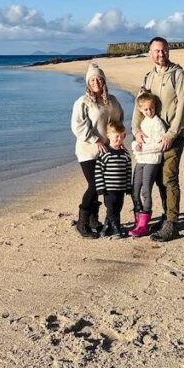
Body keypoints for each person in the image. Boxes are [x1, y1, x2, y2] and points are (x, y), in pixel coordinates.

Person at [132, 37, 184, 242]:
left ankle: (172, 224)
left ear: (168, 51)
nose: (161, 54)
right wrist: (136, 130)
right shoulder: (148, 77)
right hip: (154, 140)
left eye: (164, 50)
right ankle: (166, 216)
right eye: (156, 51)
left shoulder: (179, 75)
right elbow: (140, 105)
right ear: (150, 53)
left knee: (169, 178)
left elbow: (183, 108)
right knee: (158, 180)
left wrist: (170, 134)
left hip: (173, 137)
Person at [71, 62, 124, 238]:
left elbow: (118, 122)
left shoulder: (113, 101)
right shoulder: (83, 102)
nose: (96, 82)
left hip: (107, 152)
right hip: (87, 151)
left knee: (104, 185)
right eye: (92, 79)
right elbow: (77, 126)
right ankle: (82, 223)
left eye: (99, 79)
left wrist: (118, 140)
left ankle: (94, 220)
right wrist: (95, 139)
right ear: (88, 82)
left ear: (103, 81)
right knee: (94, 185)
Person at [128, 92, 167, 237]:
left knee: (146, 191)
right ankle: (138, 220)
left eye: (151, 108)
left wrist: (142, 148)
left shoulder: (157, 123)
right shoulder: (143, 123)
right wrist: (135, 146)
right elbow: (136, 141)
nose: (149, 112)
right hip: (140, 160)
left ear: (154, 107)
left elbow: (160, 145)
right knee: (134, 189)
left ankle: (143, 225)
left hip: (151, 160)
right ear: (140, 110)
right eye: (146, 110)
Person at [94, 120, 132, 239]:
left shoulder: (125, 154)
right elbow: (98, 171)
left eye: (122, 136)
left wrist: (128, 186)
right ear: (108, 135)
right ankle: (116, 228)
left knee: (117, 208)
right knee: (111, 209)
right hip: (109, 189)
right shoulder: (105, 153)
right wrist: (100, 188)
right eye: (116, 136)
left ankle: (107, 228)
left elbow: (128, 171)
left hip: (120, 188)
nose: (119, 139)